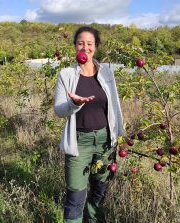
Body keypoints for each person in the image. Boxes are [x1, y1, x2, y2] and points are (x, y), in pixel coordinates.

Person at [54, 26, 125, 223]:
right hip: (79, 143)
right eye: (80, 43)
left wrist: (120, 135)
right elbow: (59, 110)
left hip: (105, 141)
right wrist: (74, 103)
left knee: (99, 192)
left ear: (96, 47)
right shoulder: (66, 75)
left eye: (89, 43)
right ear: (75, 46)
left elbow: (115, 106)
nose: (85, 47)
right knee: (75, 197)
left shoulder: (106, 73)